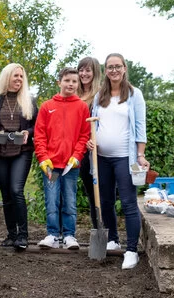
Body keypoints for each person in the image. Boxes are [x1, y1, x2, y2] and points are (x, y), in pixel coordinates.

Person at [86, 53, 149, 270]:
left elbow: (140, 127)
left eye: (117, 66)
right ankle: (113, 238)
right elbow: (94, 126)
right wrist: (90, 142)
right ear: (105, 71)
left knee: (129, 203)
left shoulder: (134, 94)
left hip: (125, 157)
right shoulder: (99, 96)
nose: (114, 70)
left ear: (124, 68)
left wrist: (140, 155)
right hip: (101, 158)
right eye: (110, 67)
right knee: (106, 202)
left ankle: (131, 250)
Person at [34, 67, 90, 250]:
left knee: (69, 200)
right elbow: (40, 134)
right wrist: (43, 158)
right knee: (52, 200)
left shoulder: (82, 107)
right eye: (67, 80)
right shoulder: (47, 107)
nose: (71, 84)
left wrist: (77, 155)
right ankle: (52, 234)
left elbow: (84, 135)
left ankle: (69, 235)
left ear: (78, 84)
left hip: (70, 166)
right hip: (51, 165)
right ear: (59, 82)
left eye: (74, 81)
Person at [0, 63, 38, 251]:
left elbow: (36, 125)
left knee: (16, 190)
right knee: (6, 193)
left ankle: (23, 235)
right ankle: (11, 234)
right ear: (7, 77)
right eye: (15, 76)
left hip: (21, 151)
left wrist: (27, 132)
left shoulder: (29, 100)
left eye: (21, 77)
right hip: (0, 150)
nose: (19, 79)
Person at [77, 57, 101, 229]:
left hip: (92, 151)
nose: (84, 74)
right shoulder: (73, 95)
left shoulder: (99, 95)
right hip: (75, 149)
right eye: (81, 70)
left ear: (95, 73)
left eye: (88, 70)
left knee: (96, 194)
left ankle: (100, 229)